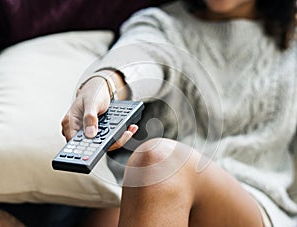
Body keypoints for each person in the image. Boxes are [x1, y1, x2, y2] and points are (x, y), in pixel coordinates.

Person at [61, 0, 297, 226]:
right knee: (114, 211)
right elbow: (143, 56)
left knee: (159, 160)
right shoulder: (163, 24)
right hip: (143, 196)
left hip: (250, 203)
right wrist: (104, 84)